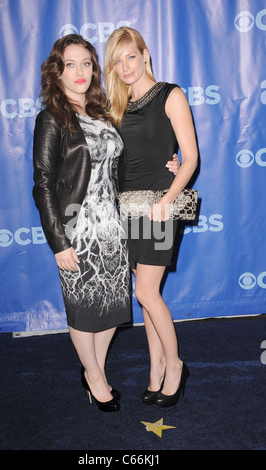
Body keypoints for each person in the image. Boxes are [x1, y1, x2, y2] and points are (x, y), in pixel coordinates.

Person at [32, 34, 133, 412]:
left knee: (112, 308)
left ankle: (96, 369)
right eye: (70, 64)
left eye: (86, 63)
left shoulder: (103, 113)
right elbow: (42, 184)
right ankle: (93, 377)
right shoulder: (52, 119)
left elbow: (118, 169)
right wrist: (59, 242)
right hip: (77, 230)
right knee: (83, 307)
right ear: (57, 73)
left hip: (113, 228)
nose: (80, 72)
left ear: (94, 68)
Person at [104, 27, 198, 407]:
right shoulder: (118, 103)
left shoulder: (171, 94)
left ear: (145, 54)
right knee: (148, 296)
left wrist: (168, 199)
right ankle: (155, 368)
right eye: (117, 59)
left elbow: (189, 158)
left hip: (160, 203)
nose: (125, 66)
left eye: (131, 56)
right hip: (126, 207)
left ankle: (175, 366)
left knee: (144, 291)